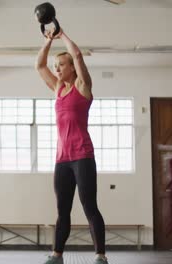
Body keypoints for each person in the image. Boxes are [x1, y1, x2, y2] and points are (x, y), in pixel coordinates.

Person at [35, 28, 109, 264]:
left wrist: (62, 34)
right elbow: (39, 66)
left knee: (90, 208)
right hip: (62, 160)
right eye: (56, 65)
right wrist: (47, 41)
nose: (57, 69)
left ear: (72, 68)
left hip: (83, 157)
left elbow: (77, 55)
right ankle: (57, 255)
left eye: (61, 65)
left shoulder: (83, 86)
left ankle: (100, 256)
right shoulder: (58, 89)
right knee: (62, 211)